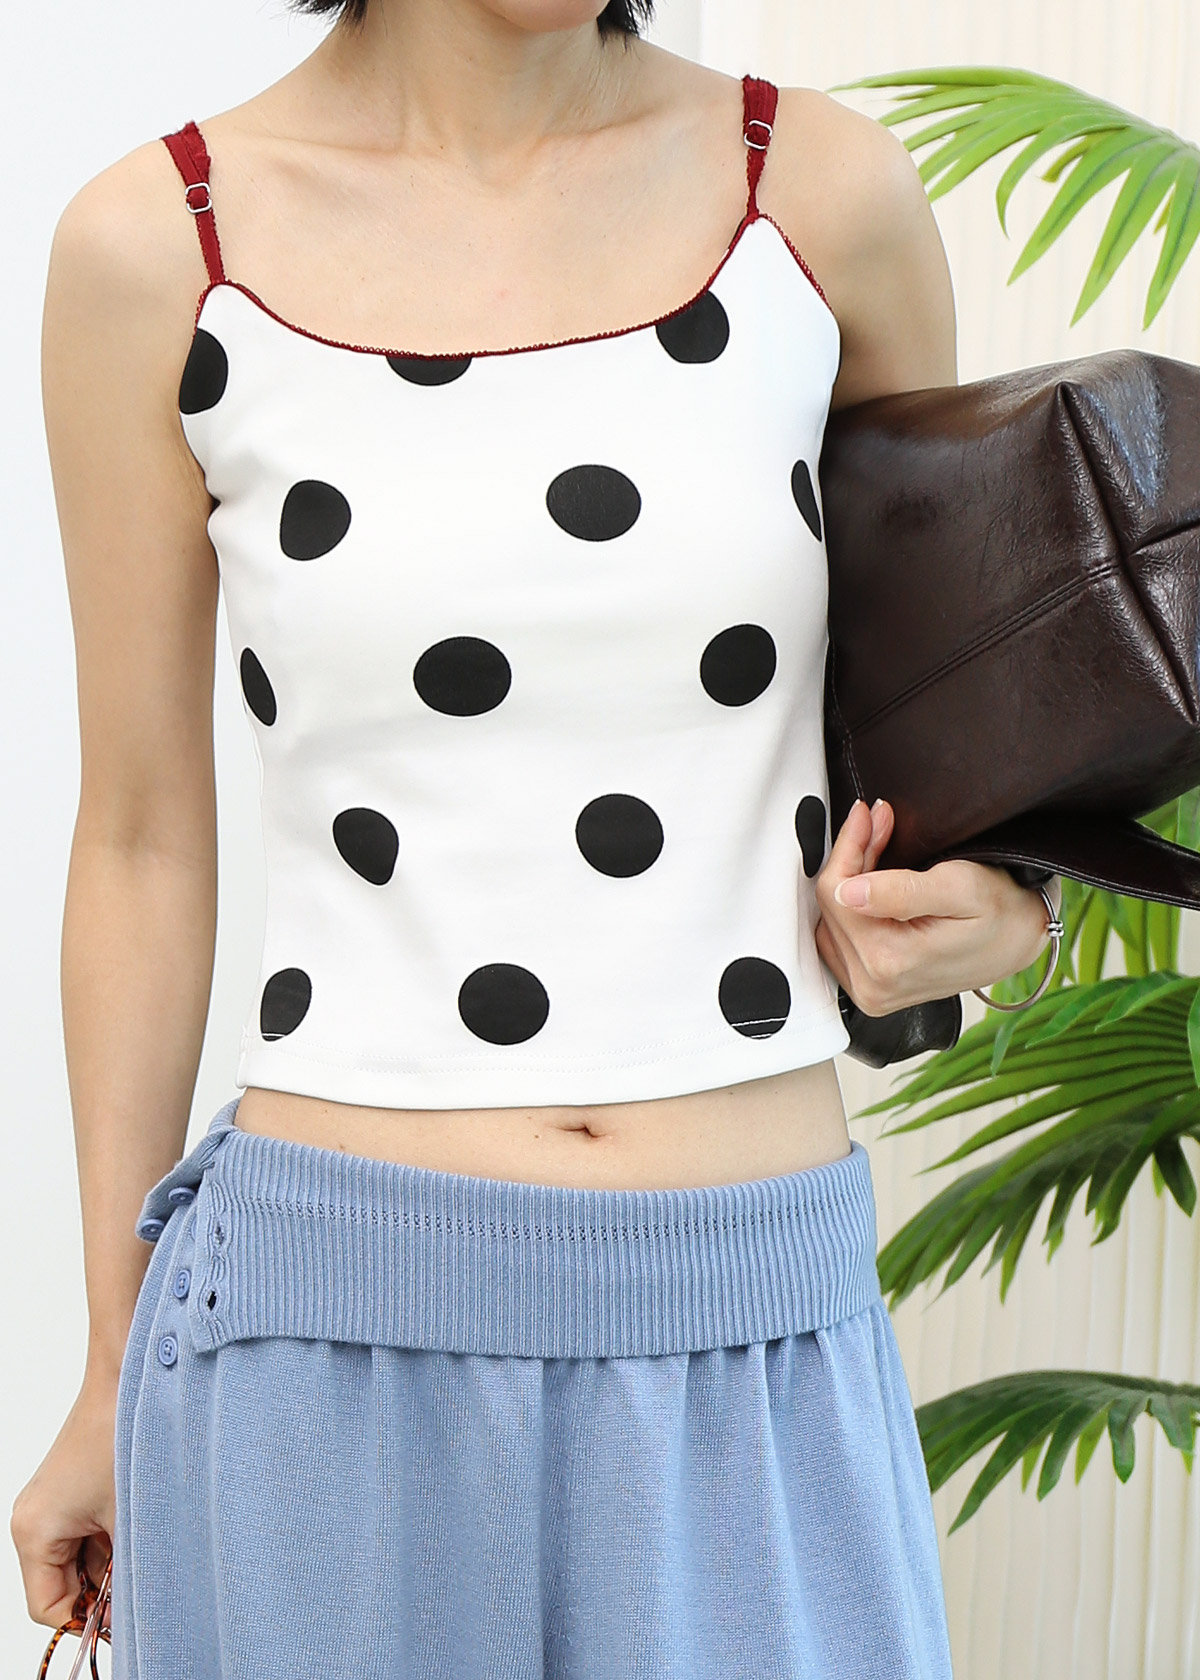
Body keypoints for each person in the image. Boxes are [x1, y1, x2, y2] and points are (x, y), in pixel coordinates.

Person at [12, 2, 1059, 1674]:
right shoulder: (160, 244)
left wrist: (1002, 910)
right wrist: (107, 1366)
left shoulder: (823, 199)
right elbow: (140, 838)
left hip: (749, 1319)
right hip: (321, 1339)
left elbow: (950, 742)